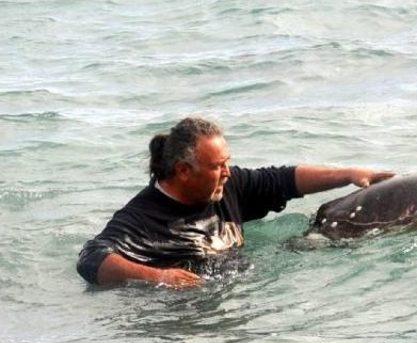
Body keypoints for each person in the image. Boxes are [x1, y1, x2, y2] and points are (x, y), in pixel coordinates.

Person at [77, 117, 394, 289]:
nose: (228, 173)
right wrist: (159, 277)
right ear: (184, 171)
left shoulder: (227, 187)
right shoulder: (142, 218)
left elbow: (283, 179)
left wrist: (350, 174)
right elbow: (90, 260)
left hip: (243, 288)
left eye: (227, 163)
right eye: (218, 166)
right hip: (189, 312)